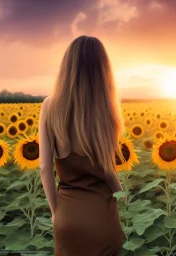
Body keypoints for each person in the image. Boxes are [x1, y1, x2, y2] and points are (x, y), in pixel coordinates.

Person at [39, 35, 126, 256]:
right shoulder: (106, 111)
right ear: (102, 70)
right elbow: (107, 171)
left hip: (68, 217)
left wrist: (56, 213)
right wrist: (122, 194)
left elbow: (44, 169)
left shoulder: (50, 106)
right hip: (101, 218)